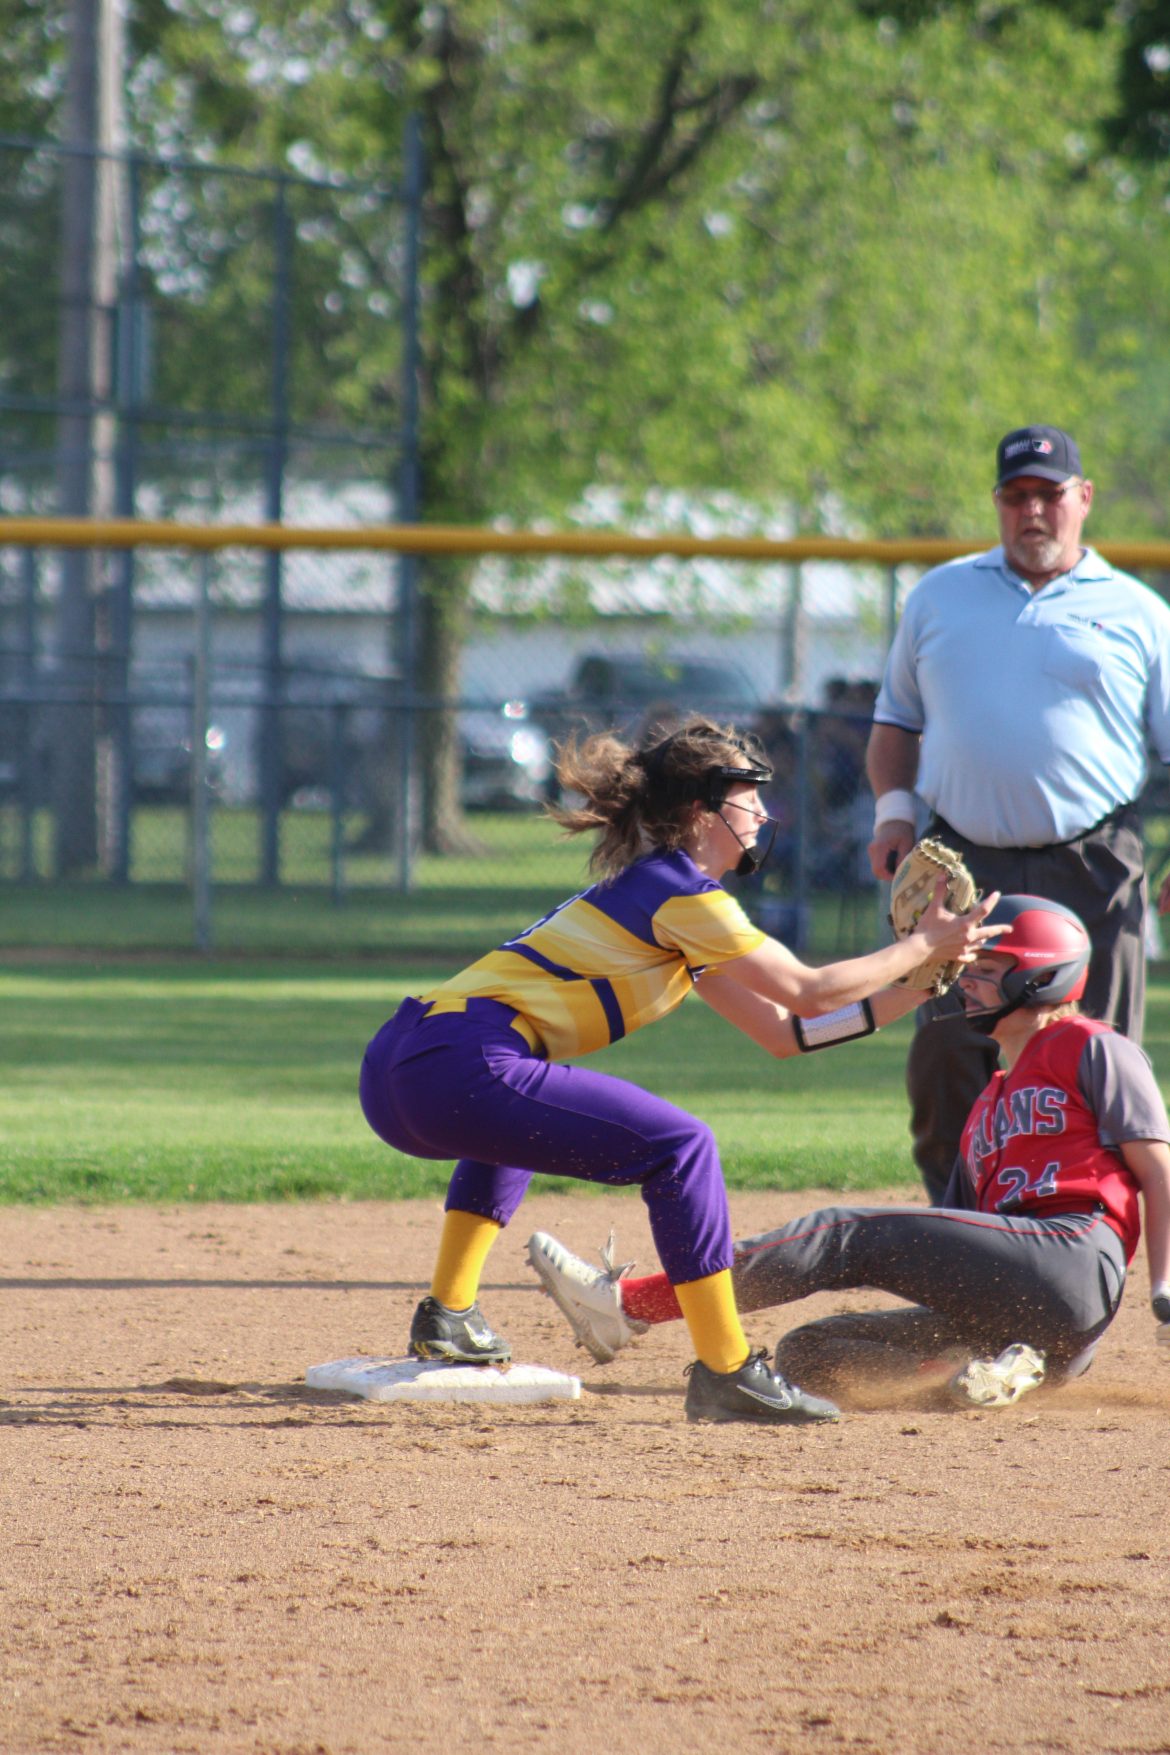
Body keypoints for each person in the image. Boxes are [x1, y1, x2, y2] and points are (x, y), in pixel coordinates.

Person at [359, 716, 1000, 1426]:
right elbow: (808, 988)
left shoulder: (666, 902)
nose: (763, 811)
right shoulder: (681, 892)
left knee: (512, 1113)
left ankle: (448, 1313)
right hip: (454, 1062)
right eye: (747, 795)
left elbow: (787, 1033)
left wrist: (915, 987)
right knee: (681, 1145)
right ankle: (728, 1369)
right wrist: (923, 944)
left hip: (405, 1063)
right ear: (702, 810)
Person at [527, 897, 1170, 1411]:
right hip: (1029, 1327)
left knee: (843, 1233)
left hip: (1073, 1258)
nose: (967, 981)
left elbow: (1157, 1167)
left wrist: (1165, 1284)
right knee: (811, 1353)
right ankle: (966, 1377)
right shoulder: (985, 1107)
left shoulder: (1093, 1047)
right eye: (970, 968)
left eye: (988, 970)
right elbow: (949, 1240)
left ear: (1041, 976)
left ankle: (629, 1306)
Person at [866, 424, 1170, 1202]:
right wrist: (895, 813)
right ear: (998, 502)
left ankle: (1079, 1246)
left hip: (1092, 865)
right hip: (964, 870)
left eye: (1049, 493)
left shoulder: (1139, 611)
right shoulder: (940, 595)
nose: (1032, 510)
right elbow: (897, 720)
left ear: (1084, 499)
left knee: (1096, 1071)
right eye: (1016, 495)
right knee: (943, 1067)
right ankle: (957, 1238)